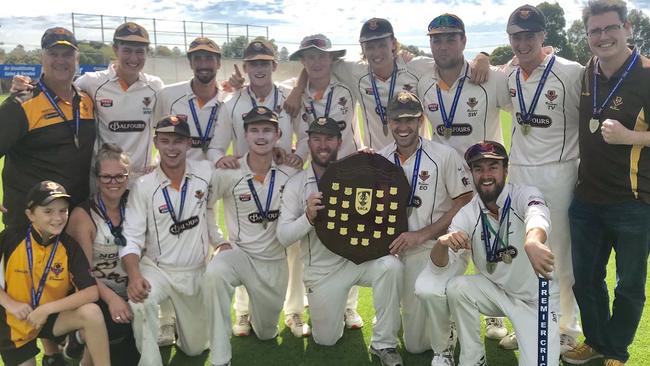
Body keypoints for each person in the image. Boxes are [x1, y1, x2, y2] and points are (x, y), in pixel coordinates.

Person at [277, 116, 404, 366]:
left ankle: (384, 343)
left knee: (392, 266)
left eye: (329, 138)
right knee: (327, 340)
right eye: (316, 139)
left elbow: (386, 183)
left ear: (339, 142)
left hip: (357, 263)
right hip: (322, 273)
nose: (323, 145)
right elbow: (283, 237)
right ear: (308, 142)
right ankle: (328, 309)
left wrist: (370, 159)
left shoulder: (357, 171)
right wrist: (308, 217)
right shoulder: (296, 184)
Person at [564, 1, 650, 365]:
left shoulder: (647, 74)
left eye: (610, 28)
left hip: (633, 201)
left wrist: (632, 136)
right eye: (595, 31)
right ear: (587, 37)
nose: (603, 37)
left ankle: (616, 351)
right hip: (586, 199)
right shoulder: (586, 73)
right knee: (585, 281)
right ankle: (596, 341)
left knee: (628, 286)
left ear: (627, 28)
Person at [430, 140, 559, 366]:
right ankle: (473, 358)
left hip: (535, 300)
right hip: (496, 292)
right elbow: (440, 264)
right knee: (457, 288)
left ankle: (527, 333)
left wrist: (533, 240)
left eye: (493, 167)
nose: (486, 175)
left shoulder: (524, 194)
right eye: (478, 169)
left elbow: (537, 213)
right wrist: (442, 243)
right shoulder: (468, 212)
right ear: (471, 173)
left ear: (506, 171)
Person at [209, 38, 305, 338]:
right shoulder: (232, 102)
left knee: (291, 247)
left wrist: (295, 157)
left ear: (274, 65)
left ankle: (294, 310)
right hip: (242, 181)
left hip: (281, 177)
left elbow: (304, 135)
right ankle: (243, 310)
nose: (259, 69)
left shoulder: (290, 96)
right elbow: (215, 146)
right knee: (241, 243)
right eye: (254, 64)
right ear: (245, 67)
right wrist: (226, 161)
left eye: (265, 63)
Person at [502, 4, 583, 351]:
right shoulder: (507, 74)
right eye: (516, 37)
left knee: (560, 255)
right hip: (518, 174)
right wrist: (478, 59)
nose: (523, 43)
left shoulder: (571, 72)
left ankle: (566, 327)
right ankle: (525, 320)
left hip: (559, 171)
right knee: (521, 255)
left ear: (543, 36)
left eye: (530, 36)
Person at [119, 115, 225, 366]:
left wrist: (220, 241)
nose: (171, 148)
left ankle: (176, 324)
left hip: (194, 271)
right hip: (157, 269)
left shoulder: (206, 172)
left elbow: (238, 175)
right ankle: (150, 361)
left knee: (196, 349)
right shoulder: (143, 186)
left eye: (178, 141)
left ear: (189, 144)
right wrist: (134, 276)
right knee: (141, 302)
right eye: (165, 141)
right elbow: (131, 238)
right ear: (156, 143)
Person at [377, 91, 473, 356]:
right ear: (389, 122)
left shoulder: (443, 155)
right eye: (397, 120)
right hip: (400, 250)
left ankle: (451, 318)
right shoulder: (380, 159)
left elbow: (465, 199)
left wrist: (422, 234)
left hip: (438, 246)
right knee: (415, 345)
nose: (403, 127)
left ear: (421, 121)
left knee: (421, 342)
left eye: (410, 120)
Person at [202, 106, 299, 366]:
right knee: (215, 272)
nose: (261, 136)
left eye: (267, 130)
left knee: (267, 333)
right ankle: (220, 357)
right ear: (245, 135)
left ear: (278, 135)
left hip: (274, 263)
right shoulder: (228, 172)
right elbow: (207, 206)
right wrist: (219, 240)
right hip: (240, 256)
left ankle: (256, 316)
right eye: (254, 130)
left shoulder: (290, 174)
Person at [282, 33, 365, 332]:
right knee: (297, 242)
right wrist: (296, 88)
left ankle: (349, 307)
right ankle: (293, 309)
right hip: (309, 175)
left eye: (322, 55)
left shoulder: (348, 85)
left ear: (331, 58)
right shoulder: (289, 93)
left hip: (348, 173)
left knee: (349, 235)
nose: (316, 62)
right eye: (309, 56)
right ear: (302, 61)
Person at [0, 181, 110, 366]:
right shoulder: (10, 239)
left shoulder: (69, 246)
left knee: (92, 312)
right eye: (48, 211)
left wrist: (46, 310)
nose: (58, 218)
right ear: (30, 214)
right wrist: (10, 303)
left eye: (63, 210)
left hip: (49, 317)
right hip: (13, 321)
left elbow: (91, 292)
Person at [0, 27, 96, 231]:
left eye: (68, 54)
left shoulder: (86, 101)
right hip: (28, 225)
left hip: (74, 222)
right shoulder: (22, 104)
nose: (61, 60)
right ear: (42, 57)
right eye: (53, 54)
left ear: (77, 59)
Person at [65, 144, 139, 365]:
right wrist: (111, 298)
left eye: (119, 176)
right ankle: (78, 336)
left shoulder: (136, 205)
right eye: (106, 177)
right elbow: (83, 275)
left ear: (128, 177)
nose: (113, 182)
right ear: (97, 178)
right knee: (112, 333)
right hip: (96, 293)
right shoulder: (83, 215)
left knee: (131, 357)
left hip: (128, 291)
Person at [155, 37, 224, 162]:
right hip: (176, 177)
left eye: (209, 58)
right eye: (197, 58)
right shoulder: (167, 94)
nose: (203, 64)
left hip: (214, 177)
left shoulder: (228, 99)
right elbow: (154, 132)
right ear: (190, 63)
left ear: (219, 63)